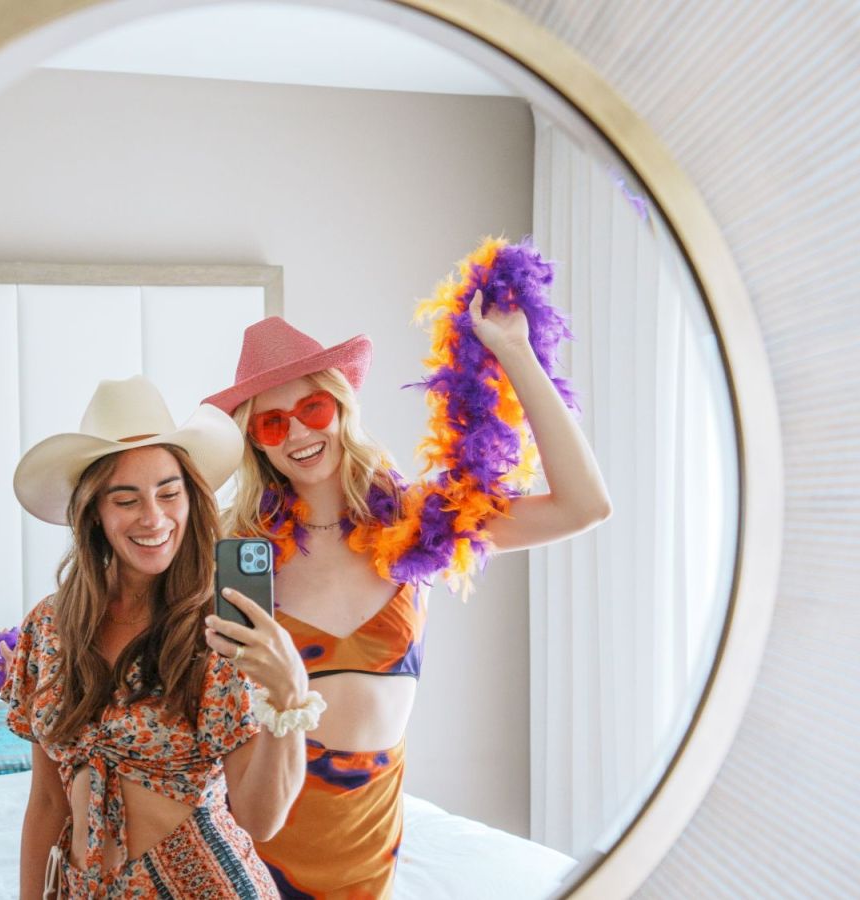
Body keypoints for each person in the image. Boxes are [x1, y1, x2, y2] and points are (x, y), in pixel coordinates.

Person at [200, 241, 612, 899]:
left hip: (369, 841)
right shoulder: (239, 552)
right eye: (272, 423)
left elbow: (585, 506)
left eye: (312, 409)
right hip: (264, 837)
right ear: (255, 444)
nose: (299, 434)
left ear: (340, 405)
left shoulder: (420, 525)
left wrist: (516, 352)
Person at [0, 375, 317, 898]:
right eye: (125, 500)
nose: (153, 517)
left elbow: (261, 820)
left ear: (190, 499)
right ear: (94, 514)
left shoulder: (220, 630)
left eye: (169, 493)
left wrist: (289, 696)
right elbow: (48, 803)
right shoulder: (48, 629)